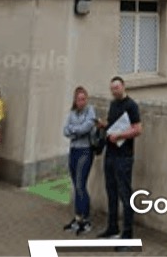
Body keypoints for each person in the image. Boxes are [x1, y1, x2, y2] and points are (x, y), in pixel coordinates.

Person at [96, 76, 141, 240]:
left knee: (125, 194)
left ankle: (127, 234)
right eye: (112, 89)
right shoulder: (113, 104)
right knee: (111, 191)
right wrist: (104, 125)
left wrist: (120, 135)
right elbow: (112, 122)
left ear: (123, 87)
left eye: (117, 88)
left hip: (124, 157)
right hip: (110, 154)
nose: (114, 91)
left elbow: (137, 129)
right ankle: (112, 227)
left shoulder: (132, 106)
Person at [62, 86, 97, 234]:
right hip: (74, 150)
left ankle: (86, 218)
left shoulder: (90, 111)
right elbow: (65, 130)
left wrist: (74, 130)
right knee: (76, 185)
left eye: (83, 99)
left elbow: (86, 127)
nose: (81, 102)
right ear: (75, 101)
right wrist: (76, 130)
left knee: (81, 184)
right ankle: (77, 218)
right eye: (78, 99)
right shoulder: (72, 113)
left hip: (85, 151)